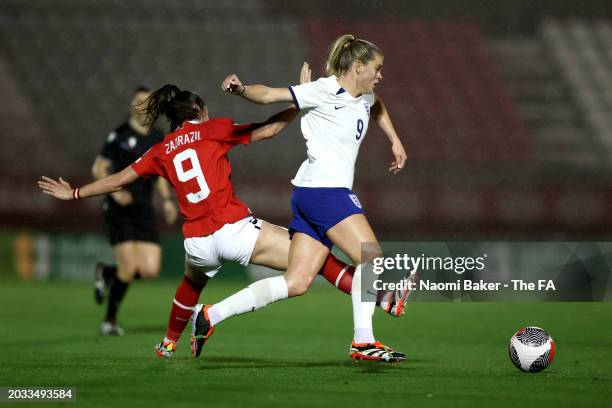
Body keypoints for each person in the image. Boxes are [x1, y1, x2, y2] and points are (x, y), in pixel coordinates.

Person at [38, 65, 410, 358]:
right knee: (313, 258)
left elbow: (119, 178)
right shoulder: (211, 130)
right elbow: (267, 131)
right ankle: (379, 302)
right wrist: (301, 102)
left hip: (197, 242)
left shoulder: (162, 149)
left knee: (191, 283)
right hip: (234, 232)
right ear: (198, 110)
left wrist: (73, 193)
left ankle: (168, 343)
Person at [190, 34, 409, 362]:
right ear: (358, 67)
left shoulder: (365, 96)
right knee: (372, 258)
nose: (380, 75)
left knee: (297, 281)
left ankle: (209, 315)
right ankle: (363, 340)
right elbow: (269, 95)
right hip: (325, 192)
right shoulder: (322, 90)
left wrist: (394, 139)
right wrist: (241, 89)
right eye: (376, 68)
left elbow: (377, 106)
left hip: (310, 194)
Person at [91, 86, 178, 336]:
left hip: (143, 206)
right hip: (118, 207)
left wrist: (167, 200)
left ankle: (107, 272)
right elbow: (99, 168)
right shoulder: (119, 135)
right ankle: (110, 321)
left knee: (150, 270)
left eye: (148, 102)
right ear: (132, 106)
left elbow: (160, 173)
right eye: (139, 101)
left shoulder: (158, 137)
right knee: (128, 268)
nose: (144, 106)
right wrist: (115, 193)